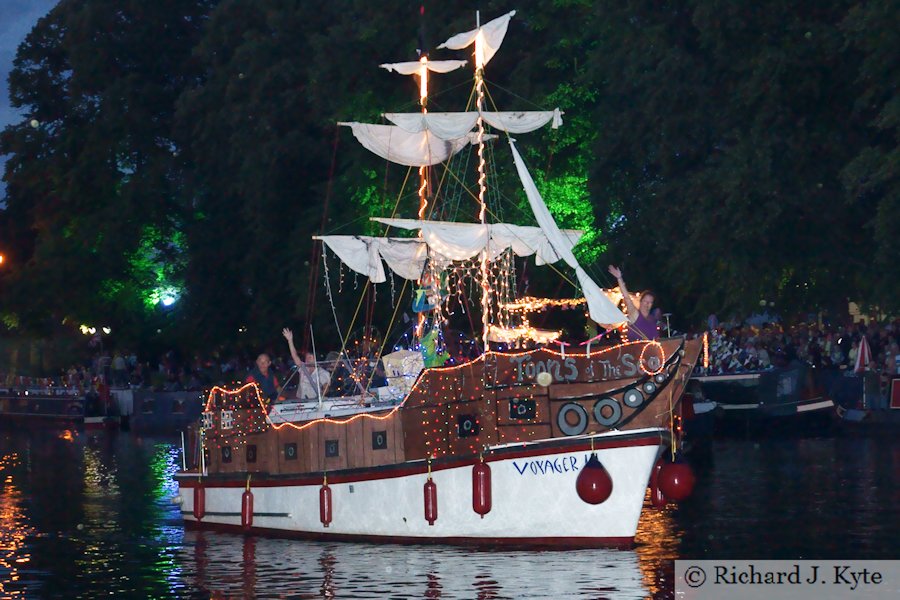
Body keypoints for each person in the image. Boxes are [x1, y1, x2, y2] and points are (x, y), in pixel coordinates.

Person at [607, 265, 659, 341]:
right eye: (645, 301)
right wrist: (619, 278)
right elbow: (627, 298)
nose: (647, 304)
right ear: (640, 302)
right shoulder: (635, 314)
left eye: (650, 302)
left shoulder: (652, 319)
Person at [282, 328, 331, 400]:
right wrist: (290, 340)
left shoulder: (322, 372)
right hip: (300, 400)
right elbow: (295, 356)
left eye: (310, 357)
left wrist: (320, 398)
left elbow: (326, 387)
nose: (307, 360)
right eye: (306, 358)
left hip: (314, 401)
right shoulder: (303, 368)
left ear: (315, 359)